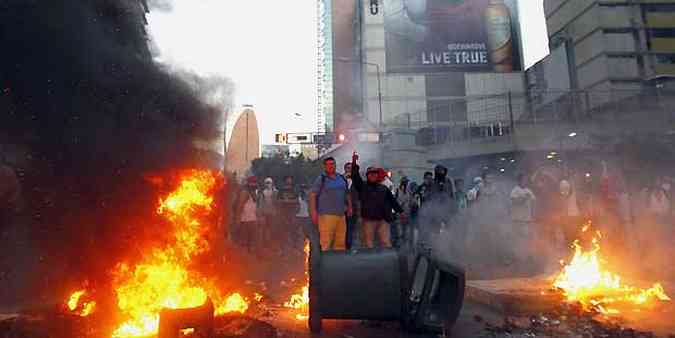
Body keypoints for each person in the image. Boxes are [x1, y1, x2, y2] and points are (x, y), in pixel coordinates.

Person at [352, 165, 404, 248]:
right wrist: (354, 165)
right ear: (367, 175)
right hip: (368, 220)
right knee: (368, 243)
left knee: (385, 242)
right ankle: (370, 260)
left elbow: (392, 201)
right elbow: (355, 178)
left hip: (383, 220)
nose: (373, 175)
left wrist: (401, 212)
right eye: (371, 173)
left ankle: (387, 259)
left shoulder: (383, 188)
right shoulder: (363, 186)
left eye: (375, 173)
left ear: (377, 175)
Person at [309, 157, 352, 251]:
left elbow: (347, 194)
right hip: (326, 215)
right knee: (326, 242)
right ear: (324, 166)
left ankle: (337, 264)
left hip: (341, 215)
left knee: (340, 243)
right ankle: (325, 263)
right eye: (328, 164)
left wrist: (350, 207)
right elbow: (312, 195)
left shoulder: (341, 178)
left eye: (333, 164)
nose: (331, 166)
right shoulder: (321, 179)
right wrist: (313, 212)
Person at [510, 174, 537, 265]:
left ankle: (526, 257)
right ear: (519, 181)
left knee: (526, 239)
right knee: (518, 239)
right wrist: (524, 198)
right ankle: (518, 258)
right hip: (518, 219)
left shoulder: (528, 190)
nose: (525, 182)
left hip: (527, 219)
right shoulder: (515, 190)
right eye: (523, 180)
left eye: (526, 180)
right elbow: (514, 201)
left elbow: (533, 201)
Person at [233, 176, 259, 254]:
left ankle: (249, 261)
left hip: (252, 221)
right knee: (243, 244)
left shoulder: (253, 193)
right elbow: (239, 207)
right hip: (245, 221)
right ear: (248, 184)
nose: (254, 184)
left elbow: (254, 208)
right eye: (252, 183)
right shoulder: (244, 193)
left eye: (255, 183)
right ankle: (243, 260)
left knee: (251, 243)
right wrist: (237, 221)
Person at [277, 175, 300, 250]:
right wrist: (284, 201)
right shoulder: (281, 190)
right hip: (283, 212)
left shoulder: (294, 190)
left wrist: (289, 201)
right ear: (285, 181)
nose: (289, 181)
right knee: (283, 229)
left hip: (292, 212)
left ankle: (294, 246)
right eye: (288, 180)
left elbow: (297, 201)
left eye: (290, 180)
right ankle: (283, 247)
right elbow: (277, 201)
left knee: (293, 229)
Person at [344, 162, 360, 250]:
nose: (349, 170)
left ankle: (351, 247)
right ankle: (347, 246)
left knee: (353, 227)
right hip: (343, 208)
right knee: (346, 228)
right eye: (348, 168)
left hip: (355, 207)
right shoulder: (341, 179)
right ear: (345, 169)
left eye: (351, 168)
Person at [394, 176, 413, 247]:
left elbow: (411, 202)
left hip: (407, 213)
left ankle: (406, 247)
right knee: (400, 233)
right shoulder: (397, 191)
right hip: (400, 214)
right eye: (405, 182)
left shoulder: (409, 191)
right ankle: (399, 246)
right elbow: (395, 202)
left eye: (407, 182)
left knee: (407, 232)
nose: (406, 183)